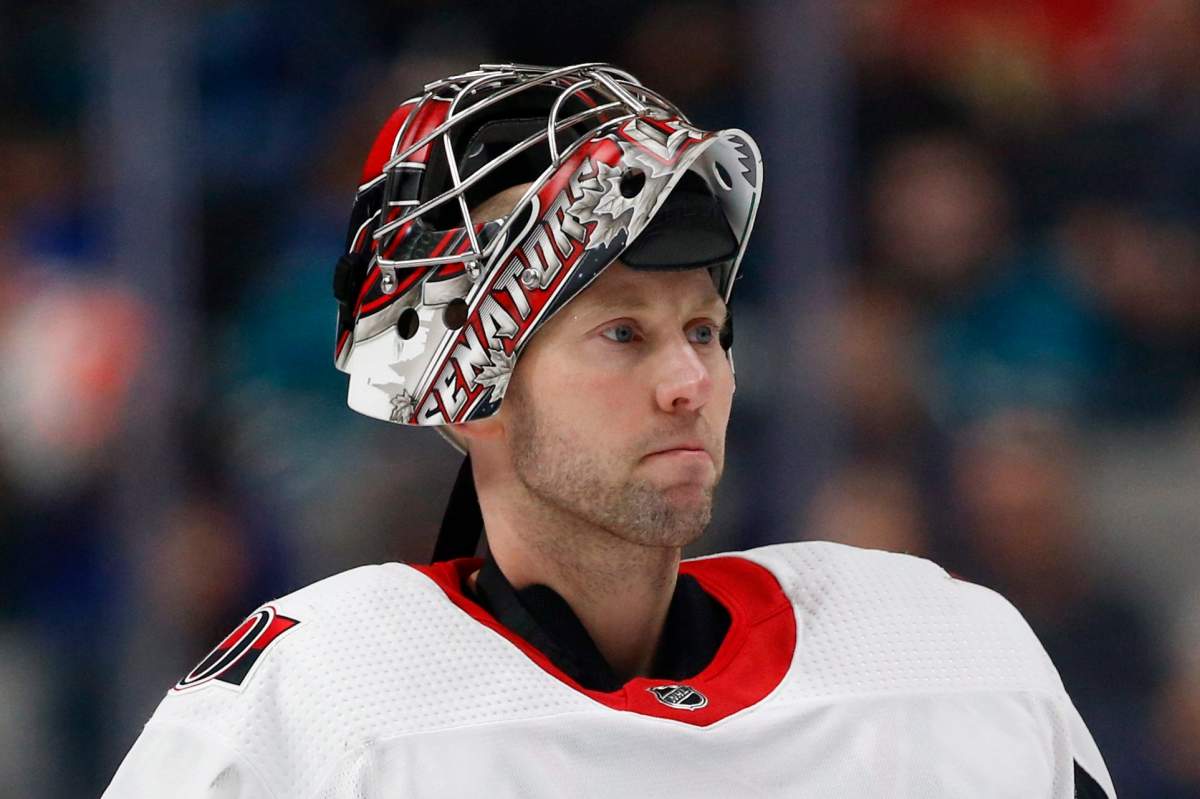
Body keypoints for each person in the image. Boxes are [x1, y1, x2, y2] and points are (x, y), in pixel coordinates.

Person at [104, 63, 1116, 798]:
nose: (691, 383)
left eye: (706, 329)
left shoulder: (948, 655)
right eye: (623, 332)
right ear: (471, 384)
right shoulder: (323, 703)